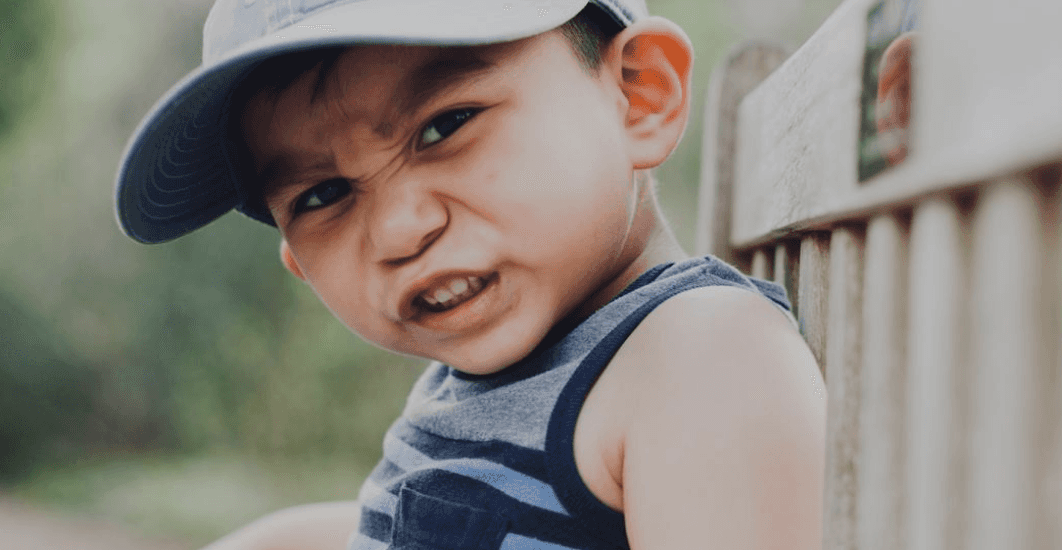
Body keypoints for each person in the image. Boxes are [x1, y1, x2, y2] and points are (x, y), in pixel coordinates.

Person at [112, 1, 825, 548]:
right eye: (321, 195)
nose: (398, 230)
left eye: (445, 124)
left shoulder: (699, 361)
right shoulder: (511, 378)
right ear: (298, 260)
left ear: (639, 96)